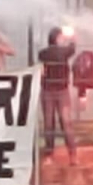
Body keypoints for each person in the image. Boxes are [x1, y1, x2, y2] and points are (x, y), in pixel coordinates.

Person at [38, 27, 77, 164]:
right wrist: (72, 36)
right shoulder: (63, 52)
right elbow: (72, 48)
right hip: (61, 90)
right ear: (56, 38)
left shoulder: (43, 53)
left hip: (48, 90)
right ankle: (72, 155)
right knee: (66, 123)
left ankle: (49, 155)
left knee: (49, 123)